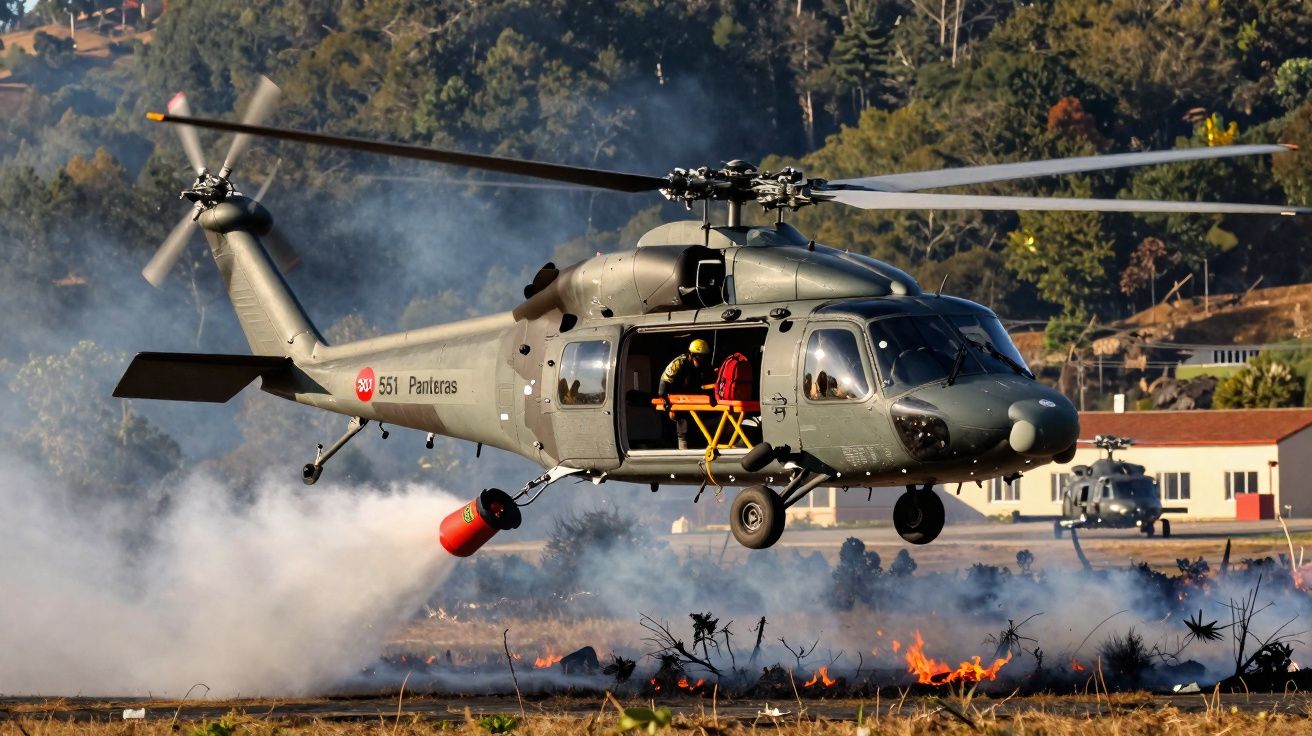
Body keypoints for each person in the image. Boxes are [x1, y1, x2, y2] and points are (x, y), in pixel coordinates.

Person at [658, 338, 713, 450]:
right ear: (692, 354)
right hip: (676, 398)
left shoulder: (704, 365)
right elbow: (664, 381)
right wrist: (664, 399)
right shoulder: (678, 363)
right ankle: (682, 448)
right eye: (700, 357)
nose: (702, 360)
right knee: (682, 420)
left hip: (694, 398)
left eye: (704, 357)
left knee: (699, 424)